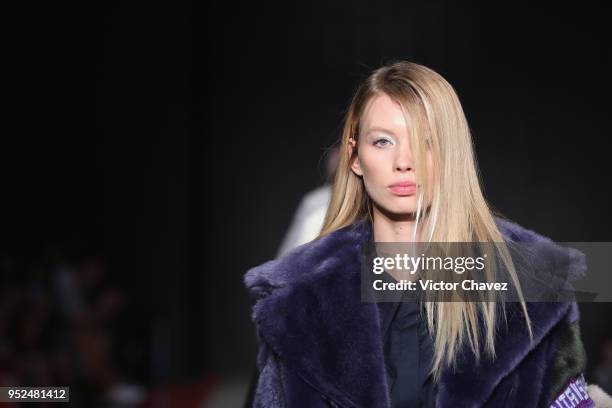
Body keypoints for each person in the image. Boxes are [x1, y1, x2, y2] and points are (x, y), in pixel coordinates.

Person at [243, 61, 600, 407]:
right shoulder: (298, 299)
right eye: (383, 141)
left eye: (426, 141)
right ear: (354, 157)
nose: (404, 161)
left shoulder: (533, 287)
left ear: (451, 155)